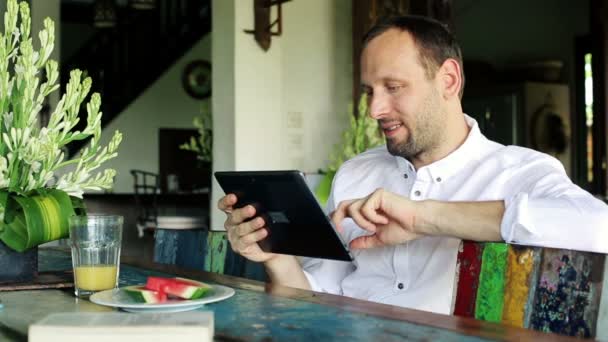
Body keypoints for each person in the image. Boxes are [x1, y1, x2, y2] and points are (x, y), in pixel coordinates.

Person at [218, 15, 608, 314]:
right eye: (370, 91)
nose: (375, 109)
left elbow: (596, 227)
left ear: (449, 80)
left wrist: (424, 218)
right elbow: (320, 297)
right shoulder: (357, 174)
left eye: (393, 87)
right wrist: (276, 256)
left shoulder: (518, 172)